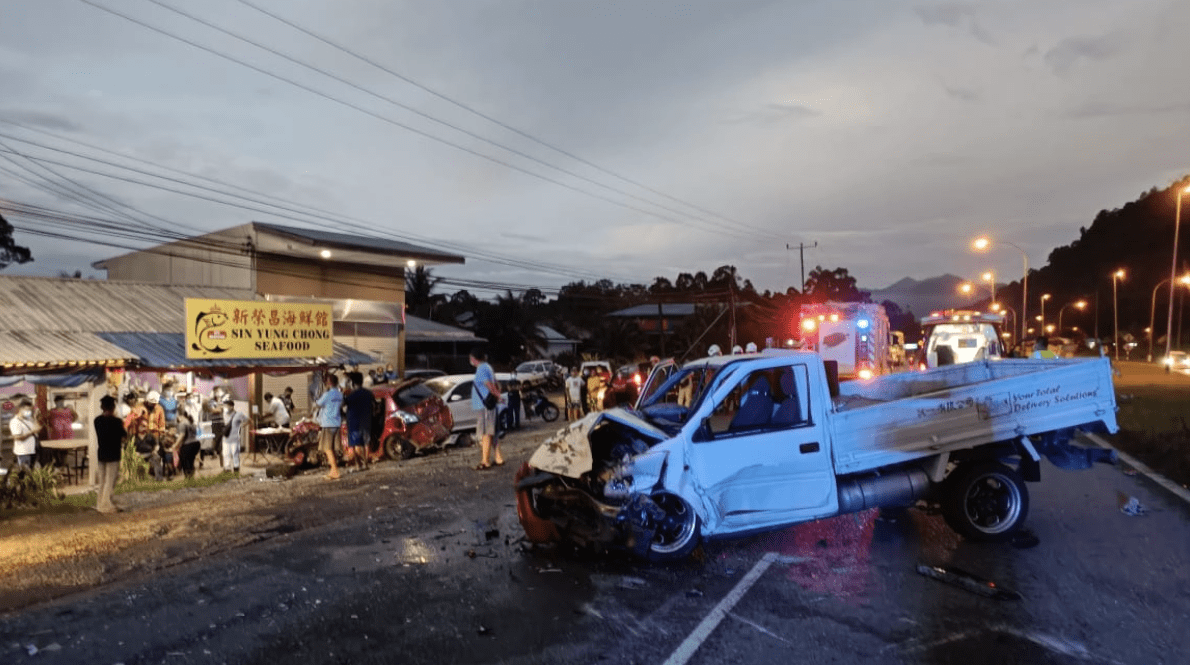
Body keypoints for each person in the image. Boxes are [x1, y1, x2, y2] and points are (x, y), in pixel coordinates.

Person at [470, 347, 502, 470]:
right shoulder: (488, 367)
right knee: (492, 433)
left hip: (484, 406)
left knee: (486, 434)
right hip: (488, 405)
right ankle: (499, 458)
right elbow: (496, 384)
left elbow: (490, 386)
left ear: (473, 358)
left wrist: (497, 396)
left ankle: (485, 461)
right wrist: (498, 396)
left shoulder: (482, 368)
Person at [94, 394, 125, 513]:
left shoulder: (97, 420)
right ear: (113, 407)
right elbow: (123, 436)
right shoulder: (117, 421)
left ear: (102, 407)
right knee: (110, 480)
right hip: (113, 453)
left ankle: (100, 504)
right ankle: (106, 505)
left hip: (102, 452)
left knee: (102, 480)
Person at [315, 373, 344, 480]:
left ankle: (335, 471)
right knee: (332, 448)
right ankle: (332, 470)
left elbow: (318, 403)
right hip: (336, 422)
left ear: (329, 382)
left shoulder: (327, 395)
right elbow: (341, 405)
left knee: (327, 448)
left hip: (327, 423)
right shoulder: (340, 394)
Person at [343, 372, 373, 471]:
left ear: (352, 382)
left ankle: (359, 465)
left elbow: (342, 405)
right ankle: (366, 464)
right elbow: (375, 406)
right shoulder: (368, 393)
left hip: (354, 423)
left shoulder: (351, 396)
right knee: (366, 443)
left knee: (356, 444)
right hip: (367, 421)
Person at [9, 399, 41, 469]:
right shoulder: (15, 421)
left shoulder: (29, 419)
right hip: (23, 452)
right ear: (20, 409)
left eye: (30, 410)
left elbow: (38, 429)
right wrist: (31, 432)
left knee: (32, 473)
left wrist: (35, 418)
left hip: (33, 451)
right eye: (27, 410)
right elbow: (17, 437)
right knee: (24, 474)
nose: (29, 412)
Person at [221, 396, 247, 475]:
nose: (226, 407)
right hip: (226, 438)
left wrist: (242, 426)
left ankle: (236, 469)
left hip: (235, 439)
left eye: (227, 406)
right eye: (225, 406)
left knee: (235, 454)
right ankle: (227, 469)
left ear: (232, 406)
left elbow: (248, 420)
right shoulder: (224, 414)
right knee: (226, 454)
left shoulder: (239, 414)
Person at [175, 409, 201, 480]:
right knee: (191, 461)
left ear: (180, 416)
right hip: (196, 443)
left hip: (187, 444)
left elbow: (182, 435)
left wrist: (175, 445)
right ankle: (192, 478)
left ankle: (188, 478)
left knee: (186, 462)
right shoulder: (191, 423)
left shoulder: (182, 423)